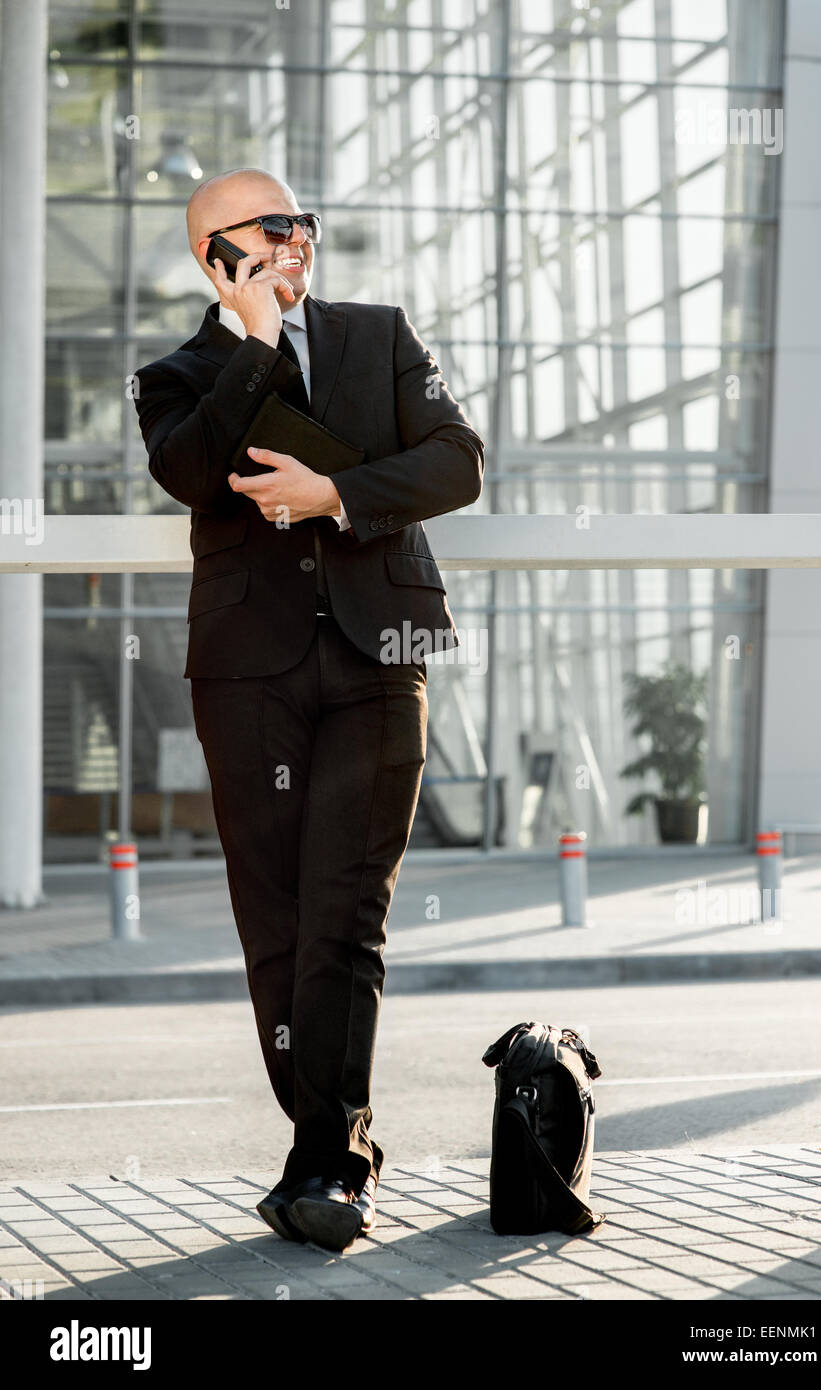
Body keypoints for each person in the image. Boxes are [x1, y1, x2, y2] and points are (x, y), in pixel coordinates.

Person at [133, 167, 484, 1252]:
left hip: (385, 653)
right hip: (250, 673)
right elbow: (192, 474)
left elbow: (457, 463)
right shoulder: (177, 373)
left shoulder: (379, 336)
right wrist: (252, 344)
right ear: (215, 254)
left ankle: (326, 1159)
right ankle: (333, 1144)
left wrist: (334, 491)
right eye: (271, 228)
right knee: (275, 921)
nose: (297, 241)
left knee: (347, 913)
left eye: (304, 224)